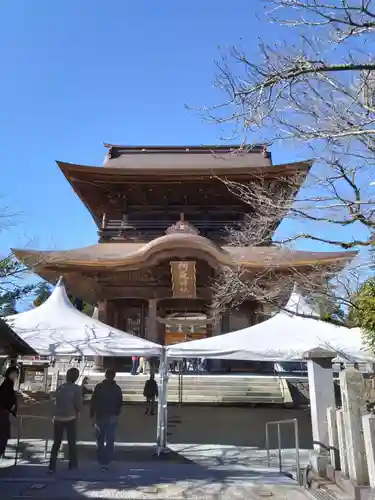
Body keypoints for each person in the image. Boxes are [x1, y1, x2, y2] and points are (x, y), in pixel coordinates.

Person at [49, 367, 82, 473]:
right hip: (70, 417)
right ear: (76, 377)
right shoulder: (77, 388)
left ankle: (52, 466)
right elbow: (78, 405)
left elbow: (56, 401)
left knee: (56, 442)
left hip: (58, 417)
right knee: (71, 441)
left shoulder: (60, 387)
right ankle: (72, 463)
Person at [90, 369, 122, 471]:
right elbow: (120, 402)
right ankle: (106, 458)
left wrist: (92, 413)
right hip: (110, 414)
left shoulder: (99, 387)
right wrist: (117, 412)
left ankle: (101, 457)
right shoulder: (116, 388)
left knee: (101, 437)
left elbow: (93, 401)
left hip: (102, 414)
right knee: (109, 438)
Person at [0, 366, 19, 458]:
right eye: (14, 373)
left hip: (4, 412)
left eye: (16, 373)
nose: (15, 375)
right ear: (9, 373)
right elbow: (5, 399)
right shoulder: (7, 384)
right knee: (3, 435)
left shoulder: (9, 383)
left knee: (4, 435)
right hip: (3, 413)